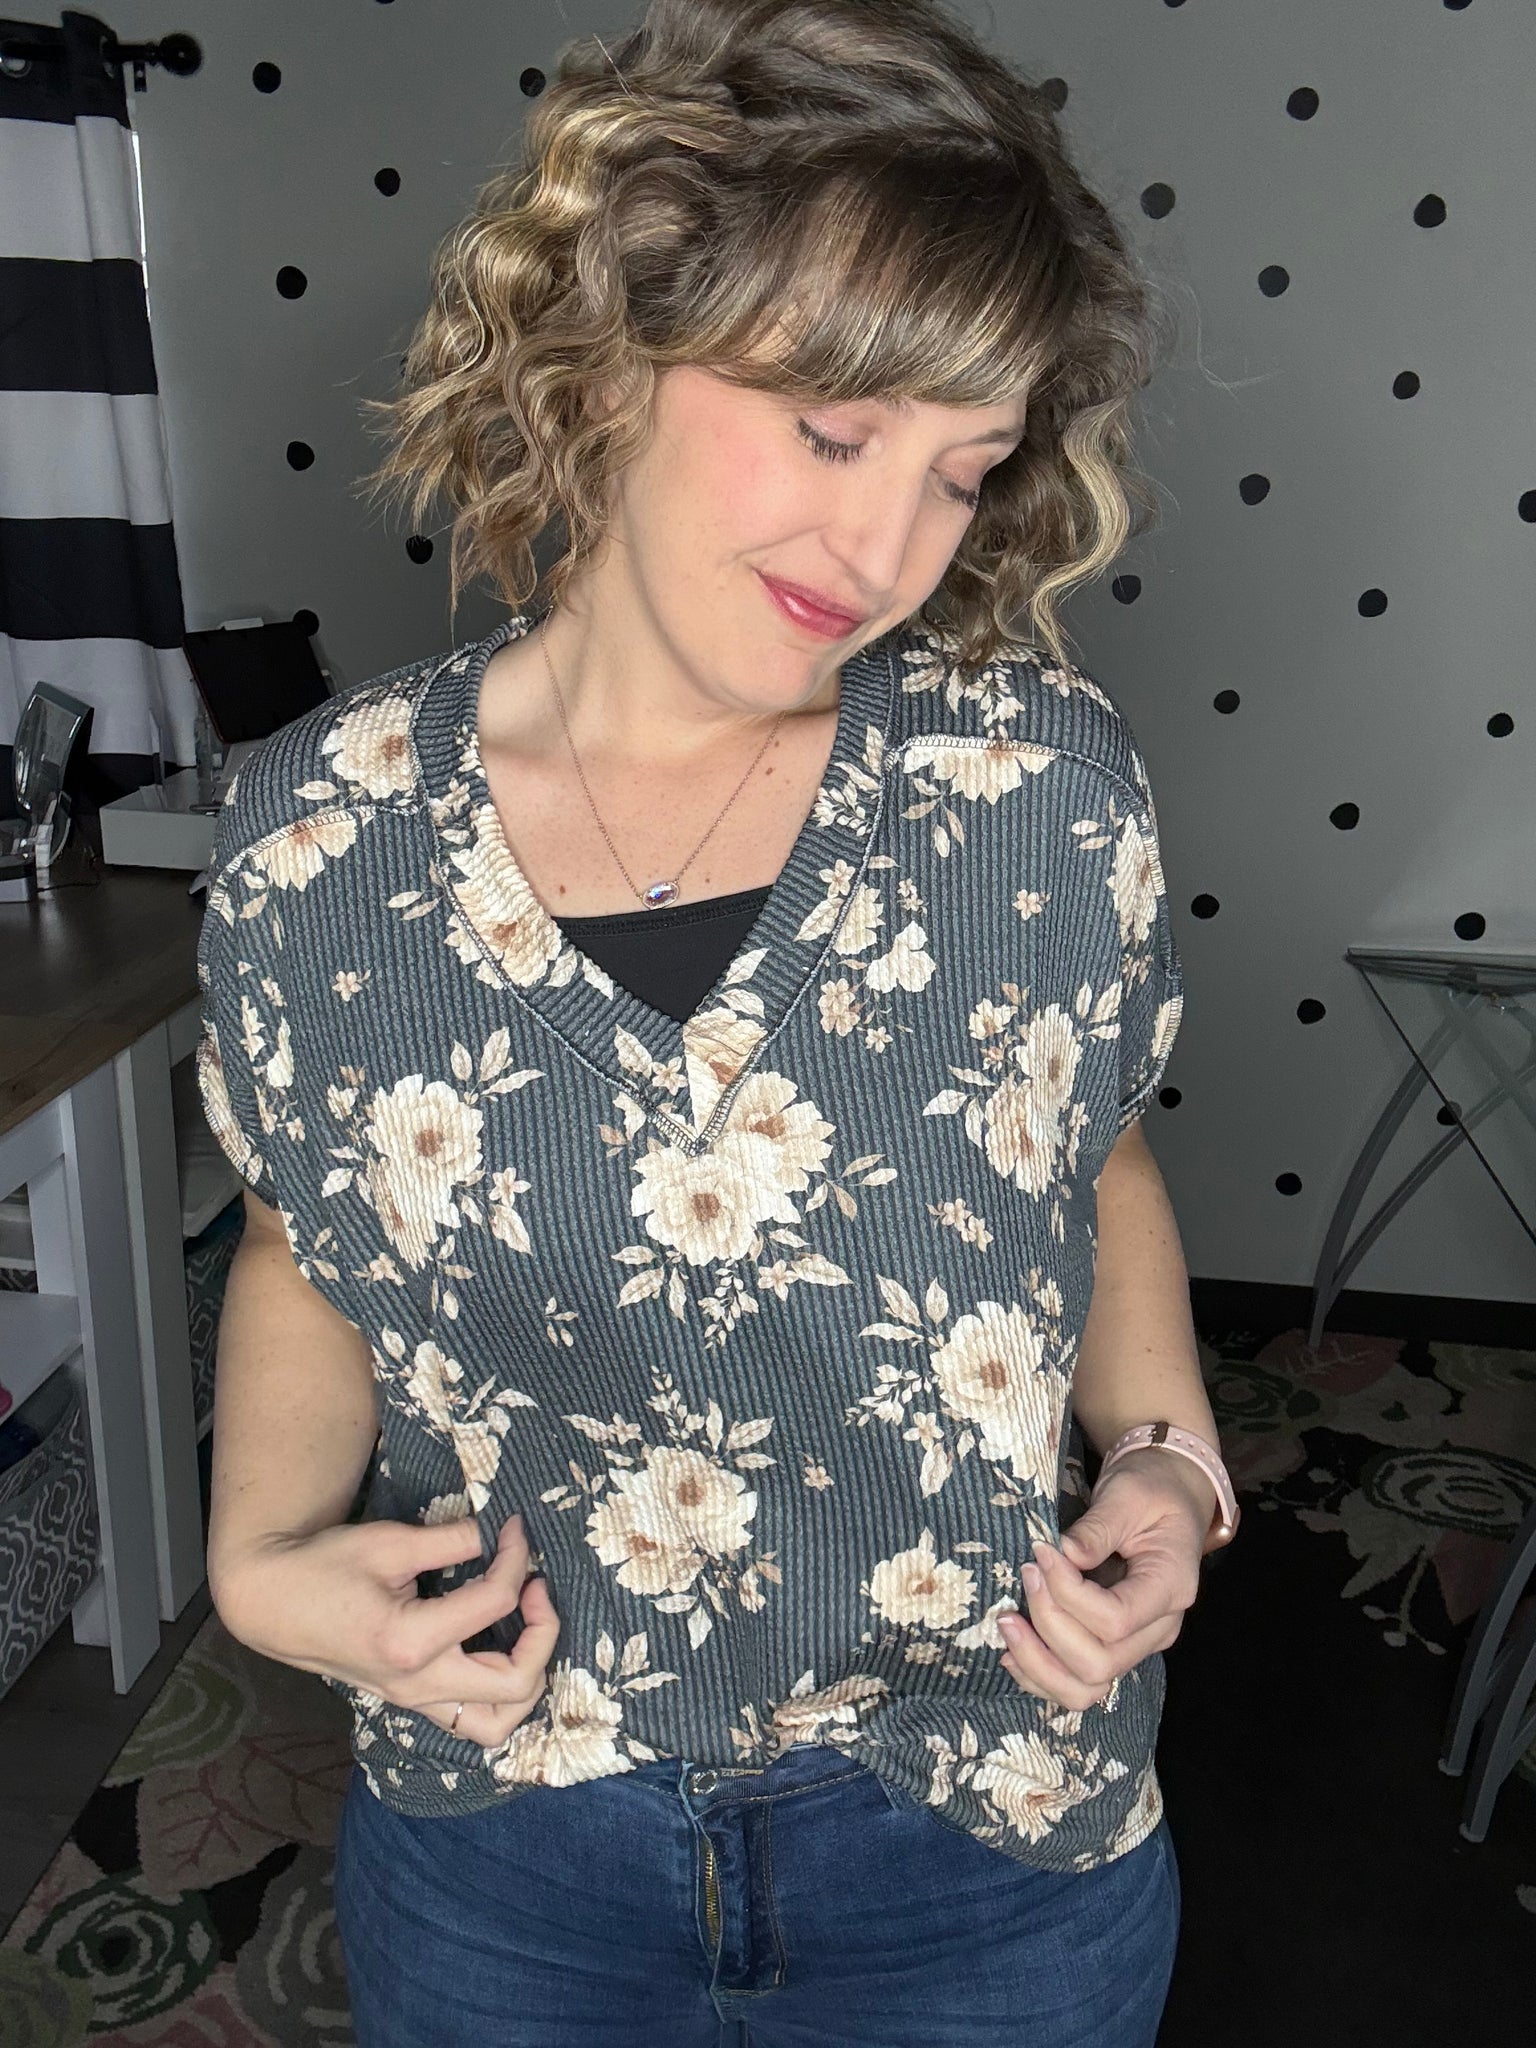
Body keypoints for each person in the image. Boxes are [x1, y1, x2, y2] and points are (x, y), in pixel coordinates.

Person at [196, 2, 1240, 2041]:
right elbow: (298, 1238)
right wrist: (258, 1557)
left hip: (986, 1830)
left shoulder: (1033, 793)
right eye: (836, 432)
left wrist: (1171, 1465)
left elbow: (1095, 1155)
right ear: (608, 344)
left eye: (961, 472)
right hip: (511, 1835)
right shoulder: (321, 838)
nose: (885, 551)